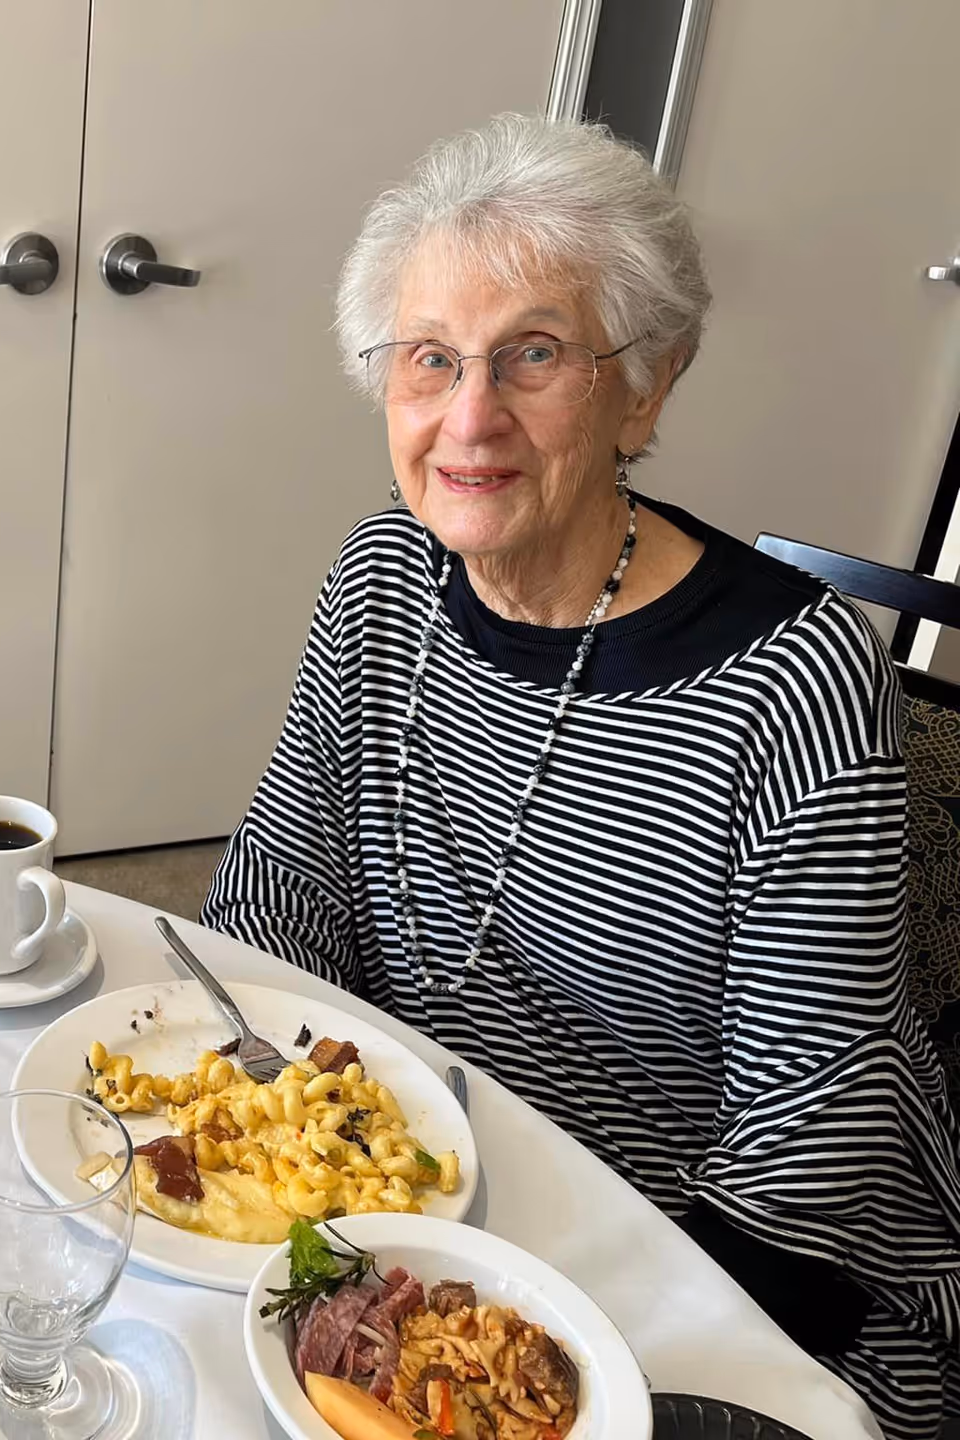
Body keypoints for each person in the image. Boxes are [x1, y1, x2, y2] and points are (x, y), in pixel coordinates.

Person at [204, 115, 960, 1436]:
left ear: (648, 385)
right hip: (421, 1211)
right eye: (429, 360)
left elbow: (804, 1160)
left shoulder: (799, 683)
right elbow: (277, 894)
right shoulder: (382, 581)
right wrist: (257, 1130)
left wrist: (521, 1337)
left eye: (533, 355)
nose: (469, 417)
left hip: (719, 1282)